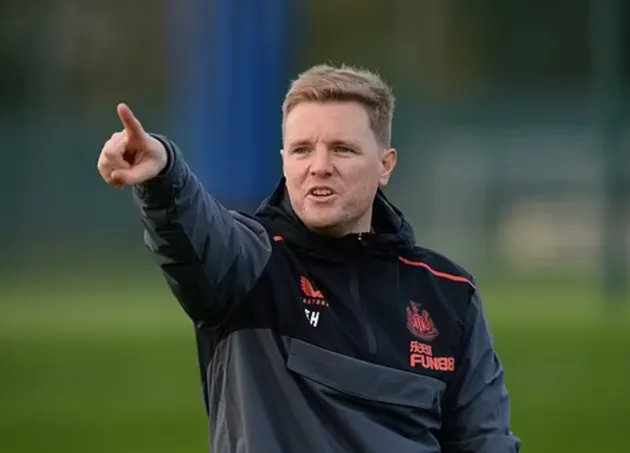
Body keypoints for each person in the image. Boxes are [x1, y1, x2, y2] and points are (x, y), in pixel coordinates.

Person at [97, 64, 521, 453]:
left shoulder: (448, 293)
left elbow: (483, 439)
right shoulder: (251, 261)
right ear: (284, 162)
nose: (319, 166)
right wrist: (163, 174)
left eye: (342, 149)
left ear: (385, 165)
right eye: (302, 150)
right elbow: (194, 237)